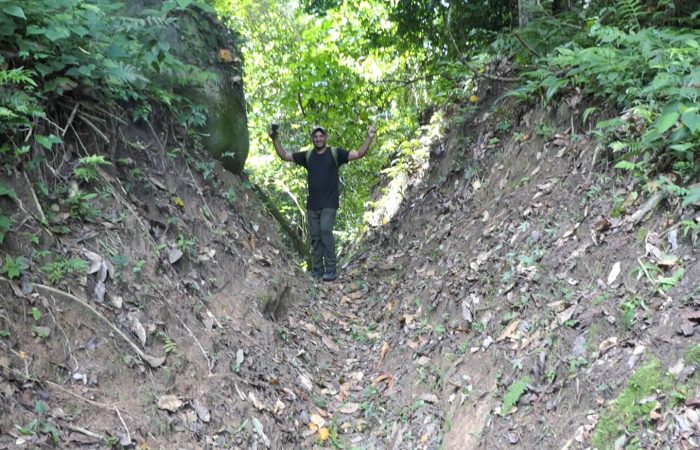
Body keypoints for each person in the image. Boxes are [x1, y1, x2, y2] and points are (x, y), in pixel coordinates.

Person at [269, 124, 377, 281]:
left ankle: (331, 269)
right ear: (312, 138)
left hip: (329, 203)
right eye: (315, 136)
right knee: (315, 237)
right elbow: (284, 155)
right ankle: (317, 270)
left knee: (325, 231)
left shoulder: (335, 153)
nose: (318, 139)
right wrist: (275, 139)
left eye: (321, 136)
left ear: (325, 137)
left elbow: (359, 153)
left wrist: (369, 137)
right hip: (312, 205)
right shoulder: (307, 155)